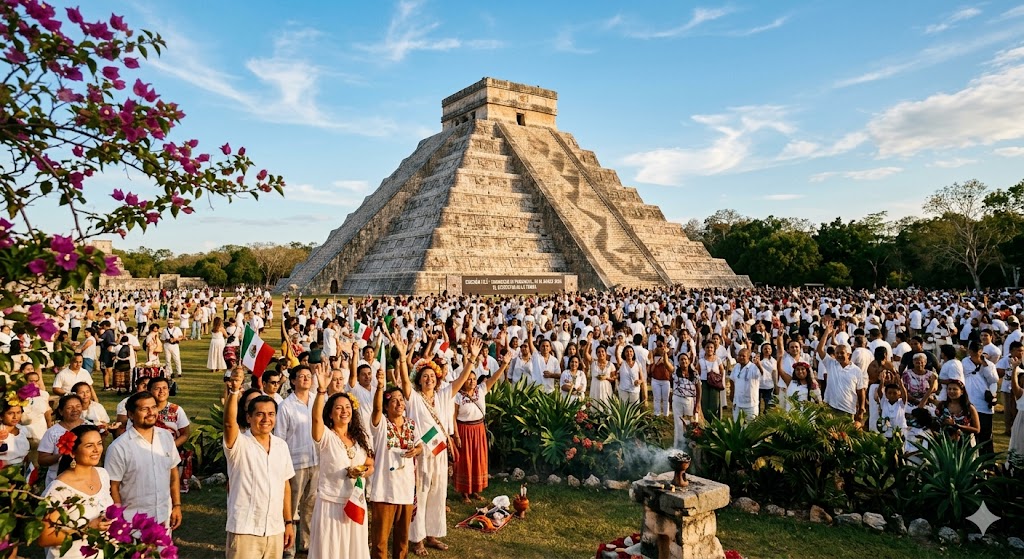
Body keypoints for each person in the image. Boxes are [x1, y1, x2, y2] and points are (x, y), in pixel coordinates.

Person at [401, 335, 481, 556]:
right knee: (421, 493)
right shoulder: (414, 399)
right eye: (424, 377)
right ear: (419, 380)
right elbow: (405, 384)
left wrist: (472, 359)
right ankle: (416, 539)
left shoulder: (444, 395)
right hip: (421, 454)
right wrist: (401, 358)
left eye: (432, 376)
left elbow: (461, 379)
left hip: (439, 452)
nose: (429, 380)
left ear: (437, 379)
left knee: (438, 493)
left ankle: (432, 534)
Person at [223, 373, 295, 559]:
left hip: (274, 529)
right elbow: (229, 424)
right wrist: (233, 391)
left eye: (271, 414)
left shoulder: (281, 446)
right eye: (260, 414)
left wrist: (288, 523)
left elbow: (285, 486)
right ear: (248, 417)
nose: (266, 419)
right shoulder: (239, 445)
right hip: (245, 529)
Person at [308, 366, 374, 559]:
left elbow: (370, 464)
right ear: (330, 414)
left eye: (347, 408)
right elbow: (315, 419)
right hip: (331, 504)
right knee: (331, 551)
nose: (344, 411)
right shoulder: (326, 436)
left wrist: (363, 471)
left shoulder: (360, 439)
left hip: (355, 502)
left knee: (353, 551)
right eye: (338, 408)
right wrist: (321, 391)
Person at [106, 391, 182, 530]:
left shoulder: (166, 437)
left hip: (164, 517)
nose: (151, 412)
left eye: (153, 407)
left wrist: (176, 505)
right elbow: (113, 487)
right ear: (130, 414)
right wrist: (120, 520)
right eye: (144, 409)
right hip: (133, 523)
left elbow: (173, 474)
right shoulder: (119, 447)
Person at [368, 367, 423, 559]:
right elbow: (375, 409)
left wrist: (416, 450)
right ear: (386, 406)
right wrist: (380, 387)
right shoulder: (381, 424)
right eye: (394, 400)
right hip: (384, 490)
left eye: (401, 400)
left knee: (402, 540)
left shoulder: (411, 424)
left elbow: (419, 445)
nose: (399, 403)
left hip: (406, 489)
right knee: (380, 542)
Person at [37, 425, 114, 559]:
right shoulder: (58, 489)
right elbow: (45, 538)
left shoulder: (102, 474)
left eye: (99, 443)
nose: (97, 450)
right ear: (72, 452)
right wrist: (87, 529)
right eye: (89, 445)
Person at [275, 365, 319, 559]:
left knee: (311, 505)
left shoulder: (317, 401)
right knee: (291, 508)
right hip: (294, 463)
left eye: (308, 376)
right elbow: (280, 438)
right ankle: (288, 547)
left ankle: (306, 543)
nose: (305, 379)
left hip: (316, 460)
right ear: (293, 381)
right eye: (301, 376)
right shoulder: (286, 406)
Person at [451, 341, 501, 506]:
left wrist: (504, 364)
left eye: (473, 379)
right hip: (464, 430)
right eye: (468, 379)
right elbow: (453, 415)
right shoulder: (458, 396)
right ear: (464, 380)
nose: (472, 381)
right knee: (465, 460)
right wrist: (456, 435)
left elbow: (494, 378)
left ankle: (476, 490)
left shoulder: (481, 390)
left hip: (478, 428)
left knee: (477, 459)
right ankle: (465, 492)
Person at [817, 317, 868, 424]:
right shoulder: (831, 363)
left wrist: (861, 409)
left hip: (847, 410)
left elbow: (860, 391)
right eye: (837, 353)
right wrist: (827, 333)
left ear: (848, 354)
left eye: (842, 353)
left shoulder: (856, 370)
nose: (839, 355)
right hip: (830, 407)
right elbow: (820, 349)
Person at [38, 394, 86, 488]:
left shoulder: (88, 427)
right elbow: (42, 459)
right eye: (69, 407)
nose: (75, 410)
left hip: (84, 479)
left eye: (78, 406)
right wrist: (61, 456)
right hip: (58, 479)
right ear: (61, 411)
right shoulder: (52, 432)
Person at [962, 340, 999, 456]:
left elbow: (994, 380)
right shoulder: (964, 362)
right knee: (969, 433)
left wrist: (984, 364)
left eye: (977, 352)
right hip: (969, 401)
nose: (973, 354)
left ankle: (986, 460)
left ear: (981, 352)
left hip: (983, 404)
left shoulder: (989, 365)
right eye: (971, 351)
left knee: (985, 435)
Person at [934, 380, 980, 446]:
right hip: (945, 444)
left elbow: (977, 429)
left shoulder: (969, 408)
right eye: (949, 389)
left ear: (962, 391)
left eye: (955, 389)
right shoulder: (942, 406)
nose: (951, 391)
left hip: (964, 444)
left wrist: (956, 425)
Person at [671, 353, 700, 449]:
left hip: (690, 400)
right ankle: (678, 447)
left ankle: (690, 447)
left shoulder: (694, 373)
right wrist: (665, 353)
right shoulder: (676, 371)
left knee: (689, 424)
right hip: (677, 399)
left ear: (689, 361)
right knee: (678, 424)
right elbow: (667, 364)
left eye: (685, 359)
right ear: (678, 362)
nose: (683, 361)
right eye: (681, 359)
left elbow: (699, 388)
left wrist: (698, 403)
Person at [731, 347, 763, 423]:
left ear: (749, 357)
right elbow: (732, 379)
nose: (741, 357)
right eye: (739, 355)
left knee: (750, 427)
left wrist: (759, 366)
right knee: (737, 426)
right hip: (737, 403)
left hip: (750, 404)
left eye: (743, 356)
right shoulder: (736, 367)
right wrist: (732, 394)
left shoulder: (754, 367)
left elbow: (761, 375)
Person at [874, 370, 908, 438]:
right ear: (886, 394)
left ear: (899, 394)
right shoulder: (884, 402)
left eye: (895, 393)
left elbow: (905, 395)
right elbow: (880, 391)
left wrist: (900, 383)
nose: (892, 395)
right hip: (886, 433)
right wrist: (882, 381)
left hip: (900, 433)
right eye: (889, 393)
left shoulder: (901, 403)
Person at [648, 336, 674, 416]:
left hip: (665, 380)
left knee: (666, 399)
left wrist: (665, 360)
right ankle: (657, 414)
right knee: (657, 398)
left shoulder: (669, 359)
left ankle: (666, 414)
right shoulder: (654, 357)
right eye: (659, 347)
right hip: (656, 380)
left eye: (663, 347)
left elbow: (671, 370)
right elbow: (650, 370)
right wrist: (656, 363)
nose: (661, 348)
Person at [0, 399, 30, 467]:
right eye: (10, 413)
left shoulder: (23, 430)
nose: (15, 417)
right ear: (1, 416)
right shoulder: (1, 431)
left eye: (18, 412)